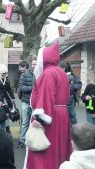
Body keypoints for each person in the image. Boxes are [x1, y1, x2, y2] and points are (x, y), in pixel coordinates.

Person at [24, 41, 72, 169]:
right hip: (61, 116)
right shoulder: (61, 72)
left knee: (45, 153)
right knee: (59, 150)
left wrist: (37, 119)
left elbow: (46, 98)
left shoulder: (48, 73)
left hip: (51, 117)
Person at [17, 58, 37, 148]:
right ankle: (22, 140)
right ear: (31, 65)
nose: (34, 66)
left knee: (34, 122)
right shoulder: (24, 75)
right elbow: (21, 87)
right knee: (25, 122)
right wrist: (32, 88)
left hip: (36, 102)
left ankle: (32, 139)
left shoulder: (40, 74)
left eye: (36, 64)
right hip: (26, 101)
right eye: (33, 64)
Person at [0, 64, 15, 135]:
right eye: (3, 74)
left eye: (5, 73)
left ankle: (7, 129)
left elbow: (9, 89)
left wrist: (13, 98)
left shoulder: (6, 78)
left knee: (7, 114)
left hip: (6, 98)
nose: (4, 75)